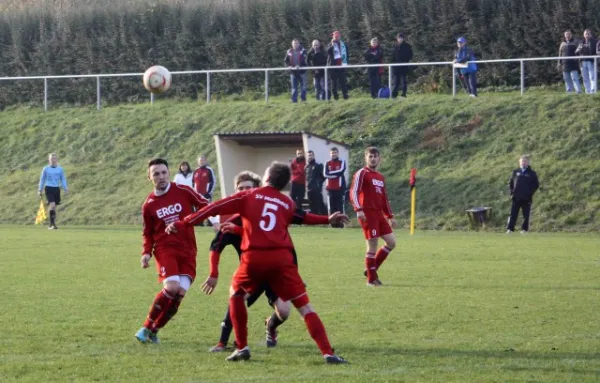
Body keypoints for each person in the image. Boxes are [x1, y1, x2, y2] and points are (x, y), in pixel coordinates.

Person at [166, 162, 349, 364]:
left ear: (267, 176)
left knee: (236, 295)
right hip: (282, 260)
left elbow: (213, 207)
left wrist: (183, 222)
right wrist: (327, 219)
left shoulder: (248, 196)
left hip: (254, 258)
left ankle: (242, 347)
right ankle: (328, 353)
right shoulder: (286, 203)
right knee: (305, 308)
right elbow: (304, 217)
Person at [206, 171, 293, 352]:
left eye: (249, 188)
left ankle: (271, 326)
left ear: (257, 190)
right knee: (236, 298)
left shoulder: (269, 218)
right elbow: (216, 246)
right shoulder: (231, 221)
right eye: (240, 189)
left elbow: (288, 247)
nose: (244, 191)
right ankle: (222, 343)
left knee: (284, 312)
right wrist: (213, 273)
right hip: (252, 273)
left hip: (274, 273)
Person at [135, 158, 208, 344]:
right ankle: (145, 326)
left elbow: (205, 206)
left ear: (169, 173)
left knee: (180, 294)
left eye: (163, 172)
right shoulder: (149, 205)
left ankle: (154, 330)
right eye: (156, 174)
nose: (161, 177)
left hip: (188, 249)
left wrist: (209, 222)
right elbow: (147, 233)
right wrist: (146, 253)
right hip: (164, 248)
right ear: (149, 177)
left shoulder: (183, 190)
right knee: (171, 287)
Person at [350, 147, 397, 286]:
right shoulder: (362, 173)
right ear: (366, 158)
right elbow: (353, 192)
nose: (373, 159)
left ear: (379, 158)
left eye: (375, 156)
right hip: (367, 213)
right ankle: (371, 280)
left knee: (391, 242)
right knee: (372, 246)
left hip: (379, 214)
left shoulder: (380, 177)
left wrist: (390, 215)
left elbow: (384, 198)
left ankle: (371, 269)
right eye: (370, 156)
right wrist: (358, 209)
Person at [506, 155, 540, 234]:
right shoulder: (515, 172)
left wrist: (530, 192)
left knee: (526, 215)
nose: (523, 163)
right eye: (522, 161)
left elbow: (536, 185)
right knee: (513, 214)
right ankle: (510, 229)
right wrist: (512, 192)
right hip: (516, 197)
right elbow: (510, 183)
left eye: (525, 161)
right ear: (519, 162)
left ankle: (524, 230)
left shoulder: (532, 173)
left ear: (528, 162)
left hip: (526, 198)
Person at [38, 153, 68, 230]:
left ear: (56, 160)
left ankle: (51, 223)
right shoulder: (46, 169)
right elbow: (42, 179)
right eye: (51, 158)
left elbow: (63, 179)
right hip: (48, 188)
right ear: (49, 160)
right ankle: (52, 224)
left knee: (54, 208)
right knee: (53, 205)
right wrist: (40, 189)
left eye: (54, 158)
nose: (53, 160)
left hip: (56, 189)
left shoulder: (60, 169)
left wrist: (65, 188)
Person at [324, 147, 346, 228]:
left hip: (339, 188)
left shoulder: (342, 161)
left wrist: (330, 174)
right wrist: (334, 175)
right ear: (330, 154)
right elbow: (325, 174)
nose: (333, 154)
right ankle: (333, 224)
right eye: (332, 153)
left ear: (338, 153)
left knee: (339, 207)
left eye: (335, 153)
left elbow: (341, 171)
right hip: (330, 189)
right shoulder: (327, 162)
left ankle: (340, 223)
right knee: (331, 207)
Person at [193, 154, 217, 226]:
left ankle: (209, 223)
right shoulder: (196, 171)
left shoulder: (209, 170)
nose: (201, 162)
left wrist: (209, 192)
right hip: (197, 194)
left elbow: (213, 181)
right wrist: (194, 193)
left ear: (206, 161)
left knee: (208, 208)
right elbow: (193, 183)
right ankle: (200, 223)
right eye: (200, 160)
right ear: (198, 162)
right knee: (198, 210)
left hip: (206, 193)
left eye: (203, 160)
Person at [327, 30, 349, 100]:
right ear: (333, 36)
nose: (336, 37)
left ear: (340, 36)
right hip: (333, 67)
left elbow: (347, 54)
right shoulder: (330, 44)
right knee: (334, 83)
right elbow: (327, 52)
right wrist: (332, 47)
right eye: (335, 36)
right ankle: (335, 97)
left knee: (343, 82)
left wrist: (346, 62)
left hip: (341, 66)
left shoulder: (343, 44)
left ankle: (345, 96)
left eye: (337, 36)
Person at [391, 33, 413, 98]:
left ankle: (403, 94)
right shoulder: (395, 46)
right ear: (397, 39)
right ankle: (394, 95)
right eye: (398, 38)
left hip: (404, 66)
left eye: (401, 38)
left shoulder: (407, 46)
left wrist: (405, 61)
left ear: (403, 38)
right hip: (396, 67)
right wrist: (394, 64)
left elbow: (410, 55)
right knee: (395, 82)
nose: (400, 39)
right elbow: (392, 57)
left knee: (403, 81)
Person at [575, 29, 596, 94]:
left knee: (592, 76)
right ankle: (587, 91)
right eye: (585, 34)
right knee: (585, 77)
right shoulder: (581, 42)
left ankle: (592, 90)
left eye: (588, 33)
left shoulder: (594, 41)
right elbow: (576, 52)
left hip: (591, 61)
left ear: (590, 34)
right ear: (584, 35)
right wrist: (579, 49)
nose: (587, 35)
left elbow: (595, 51)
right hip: (583, 62)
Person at [305, 150, 325, 214]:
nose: (309, 157)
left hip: (317, 188)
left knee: (319, 204)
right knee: (311, 204)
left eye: (311, 155)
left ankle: (324, 217)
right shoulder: (306, 167)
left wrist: (319, 184)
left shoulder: (319, 165)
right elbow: (306, 178)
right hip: (309, 189)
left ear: (313, 156)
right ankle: (314, 218)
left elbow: (323, 176)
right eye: (308, 156)